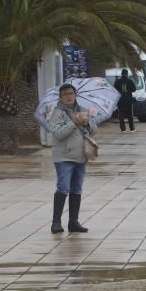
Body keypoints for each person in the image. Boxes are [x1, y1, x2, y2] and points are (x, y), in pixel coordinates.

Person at [49, 83, 97, 234]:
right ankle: (56, 223)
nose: (69, 97)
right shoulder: (57, 113)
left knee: (77, 189)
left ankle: (73, 222)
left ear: (75, 94)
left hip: (81, 156)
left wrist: (87, 122)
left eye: (71, 93)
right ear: (60, 97)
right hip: (63, 156)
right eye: (65, 94)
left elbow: (94, 130)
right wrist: (74, 122)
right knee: (63, 187)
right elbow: (58, 134)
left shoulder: (83, 110)